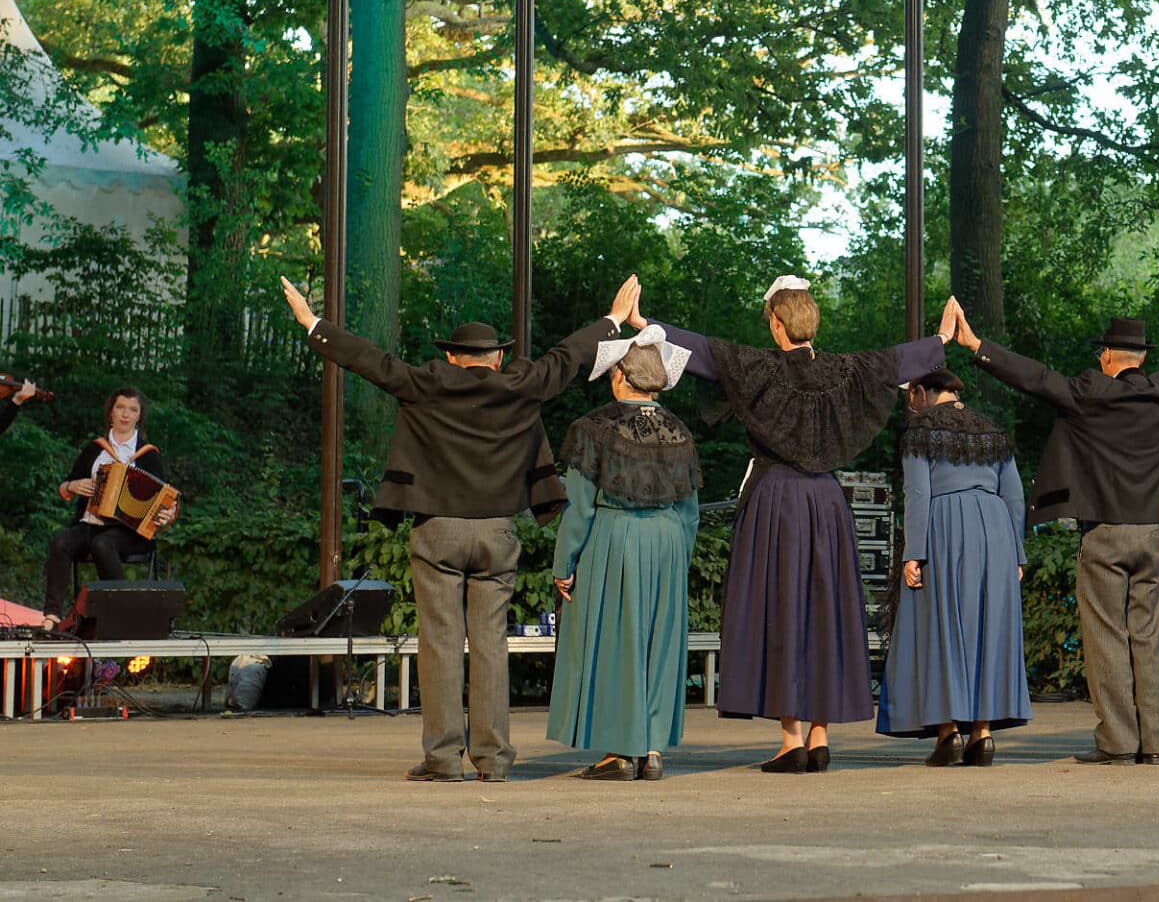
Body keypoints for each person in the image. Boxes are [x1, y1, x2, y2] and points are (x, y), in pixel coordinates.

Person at [281, 273, 639, 782]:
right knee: (490, 643)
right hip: (497, 531)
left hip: (439, 529)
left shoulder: (426, 382)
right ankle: (493, 759)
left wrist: (313, 323)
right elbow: (567, 357)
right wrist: (612, 320)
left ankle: (444, 759)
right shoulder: (521, 385)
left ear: (452, 357)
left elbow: (370, 361)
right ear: (496, 358)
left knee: (441, 642)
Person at [630, 275, 948, 773]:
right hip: (826, 500)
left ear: (778, 325)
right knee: (825, 610)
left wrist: (647, 326)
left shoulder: (760, 368)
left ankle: (792, 739)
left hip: (776, 498)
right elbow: (896, 360)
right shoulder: (846, 370)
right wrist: (941, 340)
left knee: (781, 611)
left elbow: (703, 353)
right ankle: (821, 736)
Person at [949, 298, 1159, 766]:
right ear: (1143, 357)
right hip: (1151, 534)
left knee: (1106, 637)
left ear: (1107, 356)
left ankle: (1118, 741)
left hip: (1104, 535)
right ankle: (1154, 742)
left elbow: (1035, 377)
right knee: (1145, 638)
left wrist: (976, 345)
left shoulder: (1090, 391)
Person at [548, 327, 700, 781]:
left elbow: (578, 507)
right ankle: (652, 749)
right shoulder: (679, 431)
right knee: (659, 641)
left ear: (618, 375)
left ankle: (621, 751)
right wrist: (680, 557)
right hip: (669, 539)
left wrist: (564, 565)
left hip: (616, 535)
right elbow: (689, 509)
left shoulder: (594, 428)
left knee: (616, 641)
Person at [877, 368, 1032, 766]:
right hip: (996, 528)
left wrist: (914, 553)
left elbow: (918, 493)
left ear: (921, 392)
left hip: (946, 525)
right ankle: (983, 734)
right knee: (987, 627)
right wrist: (1017, 551)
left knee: (942, 626)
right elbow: (1014, 494)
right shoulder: (992, 430)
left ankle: (949, 733)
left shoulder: (921, 432)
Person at [42, 386, 178, 629]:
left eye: (132, 410)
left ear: (139, 416)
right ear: (111, 413)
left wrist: (168, 515)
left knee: (103, 544)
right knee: (61, 541)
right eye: (120, 407)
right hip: (91, 522)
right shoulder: (95, 449)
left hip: (130, 533)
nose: (126, 414)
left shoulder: (148, 455)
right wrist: (74, 485)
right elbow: (64, 488)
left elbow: (165, 502)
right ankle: (52, 616)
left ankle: (125, 615)